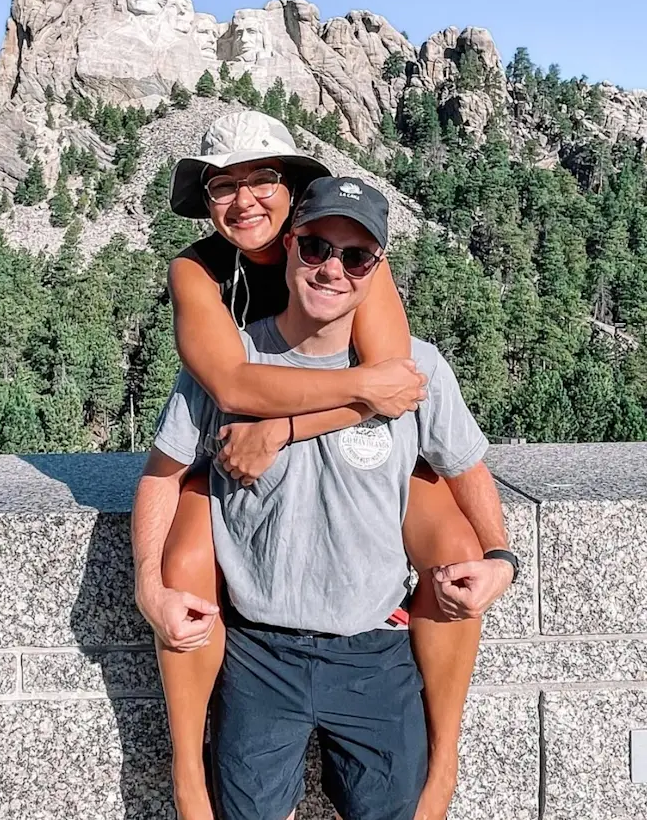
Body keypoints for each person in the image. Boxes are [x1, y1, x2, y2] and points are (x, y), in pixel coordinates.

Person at [136, 111, 517, 819]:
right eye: (223, 185)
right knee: (183, 562)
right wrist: (144, 586)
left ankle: (442, 759)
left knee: (458, 547)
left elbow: (393, 384)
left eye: (262, 180)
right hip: (233, 436)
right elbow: (231, 385)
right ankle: (189, 773)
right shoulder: (198, 268)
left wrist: (282, 429)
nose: (244, 200)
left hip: (332, 442)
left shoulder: (344, 237)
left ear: (295, 193)